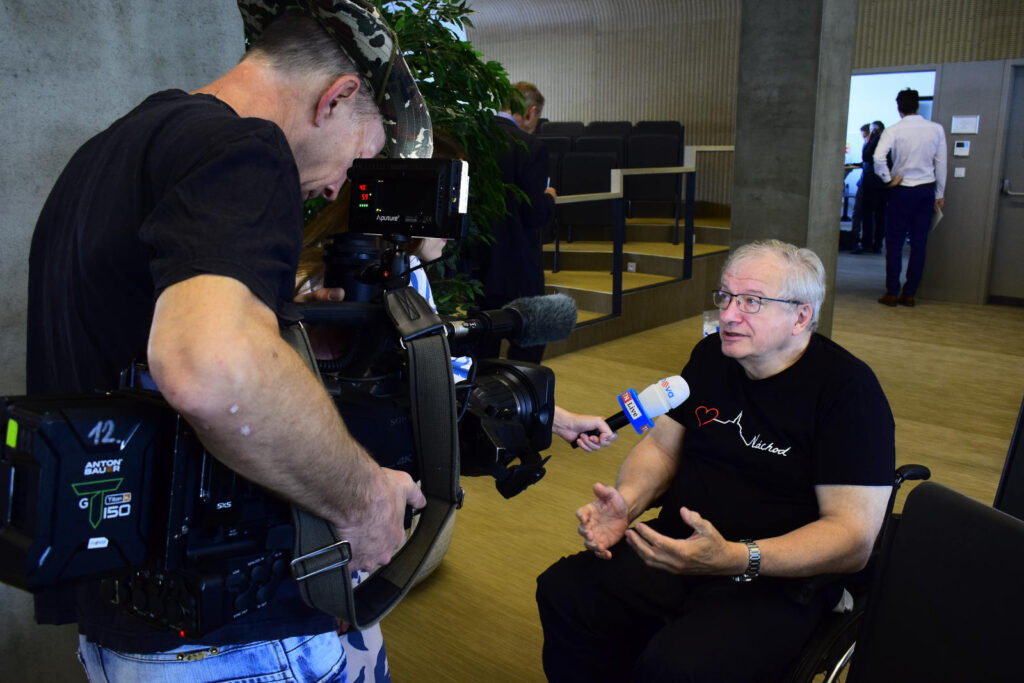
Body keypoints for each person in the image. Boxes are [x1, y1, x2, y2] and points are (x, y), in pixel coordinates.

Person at [27, 3, 431, 680]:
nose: (340, 186)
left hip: (125, 623)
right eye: (363, 155)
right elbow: (208, 365)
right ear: (338, 97)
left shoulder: (114, 149)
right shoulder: (246, 147)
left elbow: (134, 342)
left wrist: (282, 330)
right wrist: (363, 502)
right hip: (233, 641)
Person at [536, 240, 896, 682]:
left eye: (751, 302)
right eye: (725, 296)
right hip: (678, 546)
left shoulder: (848, 393)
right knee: (565, 593)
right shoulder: (711, 357)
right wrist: (626, 504)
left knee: (679, 667)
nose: (728, 314)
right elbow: (662, 447)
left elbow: (853, 537)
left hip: (772, 578)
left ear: (801, 316)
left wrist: (735, 557)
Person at [474, 81, 558, 364]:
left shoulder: (472, 141)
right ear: (531, 111)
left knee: (480, 343)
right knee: (531, 342)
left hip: (476, 267)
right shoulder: (531, 147)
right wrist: (549, 198)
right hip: (517, 268)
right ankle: (516, 397)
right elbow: (532, 213)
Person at [873, 88, 947, 307]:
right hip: (925, 190)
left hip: (901, 189)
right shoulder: (936, 129)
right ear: (917, 105)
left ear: (899, 108)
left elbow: (878, 158)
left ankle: (892, 292)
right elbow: (941, 163)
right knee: (919, 244)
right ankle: (910, 293)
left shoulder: (894, 130)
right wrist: (940, 193)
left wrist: (888, 179)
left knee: (894, 243)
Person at [855, 120, 888, 254]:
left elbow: (866, 156)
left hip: (872, 183)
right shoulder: (888, 142)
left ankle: (867, 243)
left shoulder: (876, 142)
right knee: (880, 216)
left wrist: (869, 141)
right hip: (884, 183)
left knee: (868, 214)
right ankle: (877, 244)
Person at [848, 123, 870, 251]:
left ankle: (856, 239)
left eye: (865, 136)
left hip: (867, 184)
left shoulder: (872, 145)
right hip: (866, 183)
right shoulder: (869, 144)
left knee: (859, 212)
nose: (864, 139)